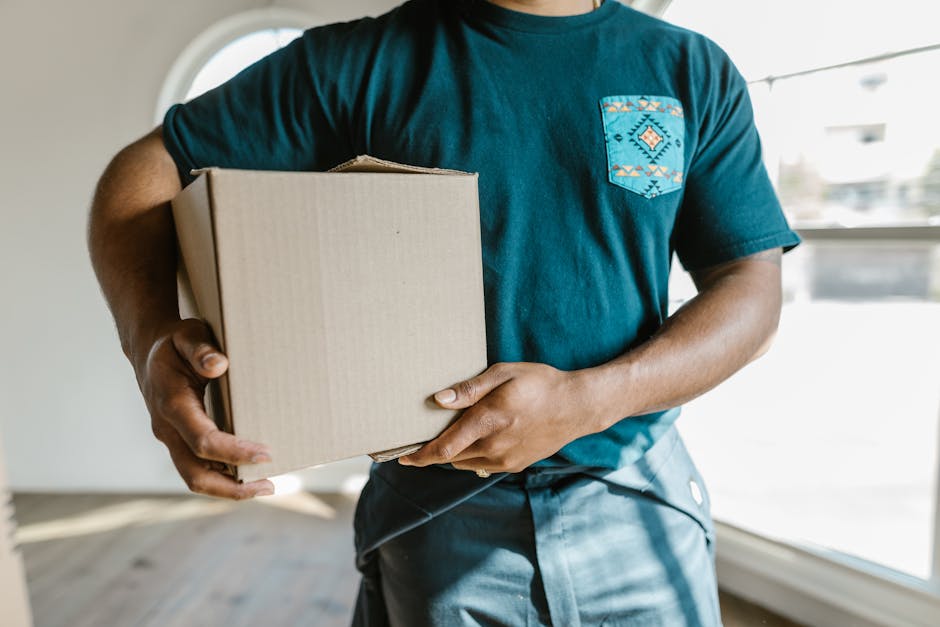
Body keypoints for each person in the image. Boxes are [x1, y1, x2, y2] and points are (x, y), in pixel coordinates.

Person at [88, 0, 800, 625]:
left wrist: (589, 400)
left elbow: (752, 287)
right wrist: (149, 345)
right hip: (436, 511)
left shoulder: (689, 70)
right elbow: (140, 176)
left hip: (636, 490)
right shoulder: (354, 64)